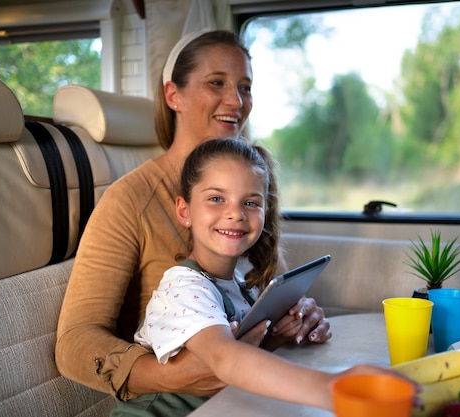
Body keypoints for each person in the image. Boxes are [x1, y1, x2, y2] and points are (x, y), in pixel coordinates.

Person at [55, 29, 331, 401]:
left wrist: (295, 317)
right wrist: (173, 376)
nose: (235, 101)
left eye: (245, 87)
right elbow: (74, 343)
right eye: (216, 83)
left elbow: (270, 291)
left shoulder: (248, 189)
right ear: (174, 95)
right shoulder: (128, 201)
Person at [111, 138, 409, 416]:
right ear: (184, 210)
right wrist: (332, 387)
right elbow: (225, 358)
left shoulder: (242, 286)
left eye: (251, 202)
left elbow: (241, 354)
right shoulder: (183, 288)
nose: (236, 213)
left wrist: (278, 335)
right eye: (216, 198)